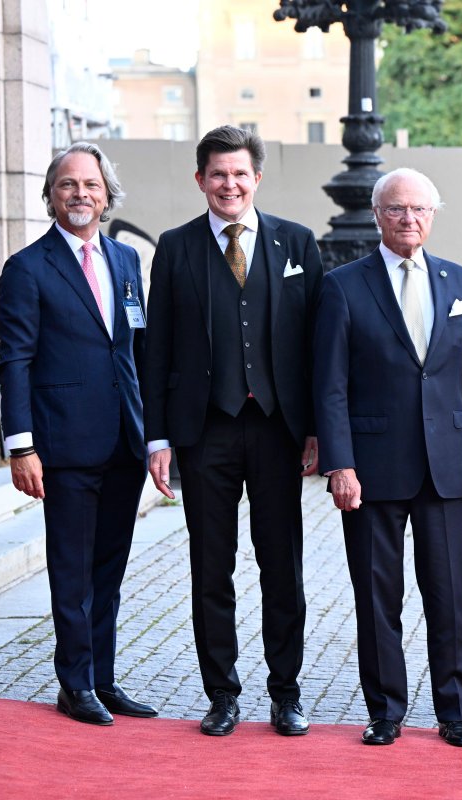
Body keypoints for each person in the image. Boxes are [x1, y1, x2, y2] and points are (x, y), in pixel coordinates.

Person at [313, 167, 462, 748]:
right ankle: (386, 712)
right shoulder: (344, 285)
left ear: (434, 215)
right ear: (378, 215)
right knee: (378, 598)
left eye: (420, 209)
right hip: (371, 469)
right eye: (397, 209)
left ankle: (454, 711)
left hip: (446, 465)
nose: (409, 220)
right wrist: (339, 464)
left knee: (447, 596)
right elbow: (331, 386)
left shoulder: (457, 282)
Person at [141, 125, 323, 737]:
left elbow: (318, 347)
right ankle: (221, 693)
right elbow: (157, 348)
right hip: (204, 432)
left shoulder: (297, 243)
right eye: (217, 174)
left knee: (283, 568)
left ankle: (286, 692)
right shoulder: (175, 247)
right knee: (210, 567)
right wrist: (158, 437)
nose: (229, 184)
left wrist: (318, 430)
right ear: (201, 180)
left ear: (257, 178)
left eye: (239, 173)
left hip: (277, 431)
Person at [0, 142, 156, 725]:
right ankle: (74, 684)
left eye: (90, 185)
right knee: (72, 569)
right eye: (68, 185)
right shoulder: (27, 268)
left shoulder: (125, 261)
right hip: (61, 447)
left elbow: (136, 350)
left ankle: (103, 679)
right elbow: (14, 361)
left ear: (107, 195)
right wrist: (22, 445)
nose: (80, 194)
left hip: (123, 443)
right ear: (51, 196)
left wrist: (153, 435)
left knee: (109, 568)